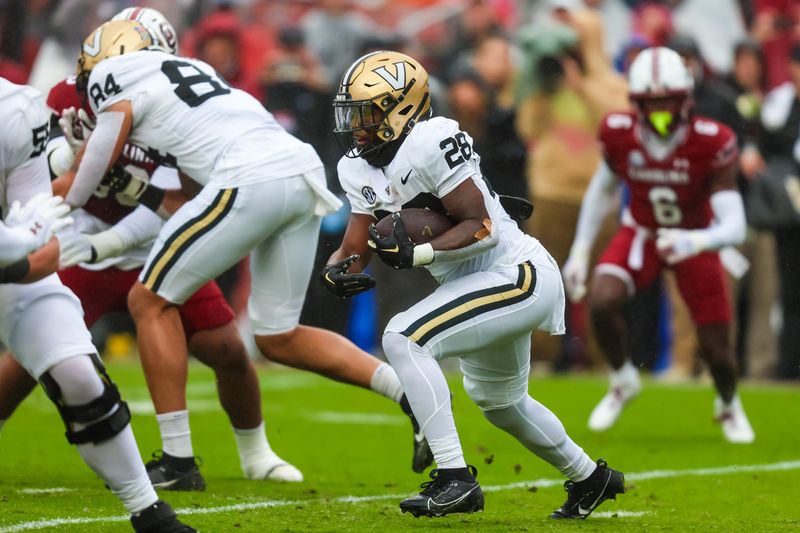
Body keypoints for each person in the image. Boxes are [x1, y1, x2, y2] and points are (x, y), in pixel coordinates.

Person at [52, 20, 432, 477]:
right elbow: (182, 197)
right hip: (298, 172)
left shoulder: (117, 78)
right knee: (278, 336)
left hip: (249, 176)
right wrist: (118, 214)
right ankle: (411, 393)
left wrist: (56, 200)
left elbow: (87, 173)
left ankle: (176, 459)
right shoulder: (195, 79)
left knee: (149, 300)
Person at [323, 50, 624, 519]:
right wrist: (337, 266)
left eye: (369, 112)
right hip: (473, 283)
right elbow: (355, 245)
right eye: (354, 113)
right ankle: (591, 478)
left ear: (402, 106)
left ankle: (455, 479)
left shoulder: (432, 139)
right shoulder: (356, 167)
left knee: (403, 336)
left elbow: (484, 227)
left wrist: (421, 252)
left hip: (515, 273)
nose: (357, 124)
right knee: (500, 402)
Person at [0, 76, 194, 532]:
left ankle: (150, 514)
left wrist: (19, 258)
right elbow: (27, 234)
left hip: (7, 264)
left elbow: (43, 242)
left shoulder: (14, 111)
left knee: (78, 376)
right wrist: (23, 239)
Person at [561, 47, 755, 443]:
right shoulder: (618, 131)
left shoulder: (710, 141)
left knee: (717, 350)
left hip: (695, 239)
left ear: (686, 99)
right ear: (636, 103)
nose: (662, 110)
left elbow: (734, 226)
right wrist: (580, 250)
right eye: (653, 102)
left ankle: (728, 403)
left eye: (669, 100)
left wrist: (697, 240)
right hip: (643, 232)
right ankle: (622, 380)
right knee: (601, 299)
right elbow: (602, 189)